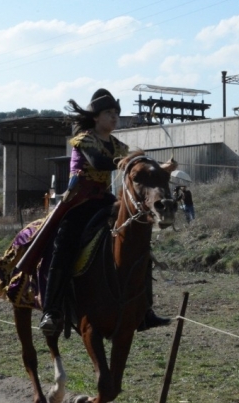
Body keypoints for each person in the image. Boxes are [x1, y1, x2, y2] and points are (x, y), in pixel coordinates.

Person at [39, 88, 170, 336]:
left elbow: (134, 167)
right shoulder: (84, 139)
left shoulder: (118, 145)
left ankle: (145, 310)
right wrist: (129, 161)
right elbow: (99, 163)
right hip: (78, 202)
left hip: (105, 200)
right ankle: (52, 310)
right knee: (63, 249)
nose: (114, 117)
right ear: (96, 117)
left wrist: (154, 167)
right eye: (109, 113)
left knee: (139, 244)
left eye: (116, 113)